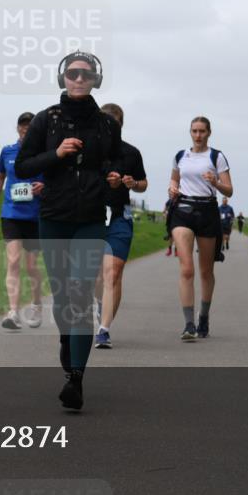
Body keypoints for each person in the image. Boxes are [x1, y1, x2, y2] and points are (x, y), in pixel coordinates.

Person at [16, 51, 121, 410]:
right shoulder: (47, 120)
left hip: (91, 218)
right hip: (54, 217)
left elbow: (115, 162)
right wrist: (56, 154)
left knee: (78, 295)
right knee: (63, 298)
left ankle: (75, 378)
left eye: (86, 74)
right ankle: (67, 338)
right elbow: (23, 165)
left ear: (96, 80)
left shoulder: (108, 125)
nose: (79, 79)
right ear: (63, 78)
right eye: (73, 73)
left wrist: (113, 179)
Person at [168, 116, 233, 340]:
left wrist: (215, 182)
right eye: (194, 131)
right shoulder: (180, 156)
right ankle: (188, 324)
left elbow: (229, 190)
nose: (198, 135)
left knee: (206, 272)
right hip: (183, 211)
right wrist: (172, 189)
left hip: (207, 212)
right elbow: (174, 181)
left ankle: (203, 316)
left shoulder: (217, 156)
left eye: (202, 131)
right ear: (190, 132)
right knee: (187, 269)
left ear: (209, 133)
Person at [93, 103, 147, 349]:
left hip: (119, 217)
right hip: (91, 216)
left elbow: (143, 184)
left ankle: (104, 330)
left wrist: (131, 182)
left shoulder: (131, 153)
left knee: (112, 272)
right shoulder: (89, 151)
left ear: (120, 126)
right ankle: (102, 305)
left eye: (112, 123)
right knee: (96, 278)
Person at [0, 112, 46, 330]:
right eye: (22, 125)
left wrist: (44, 188)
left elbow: (52, 179)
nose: (25, 129)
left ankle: (37, 304)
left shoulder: (43, 153)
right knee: (13, 261)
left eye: (30, 126)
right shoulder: (7, 151)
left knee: (31, 266)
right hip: (11, 213)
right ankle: (13, 311)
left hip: (35, 215)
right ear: (17, 128)